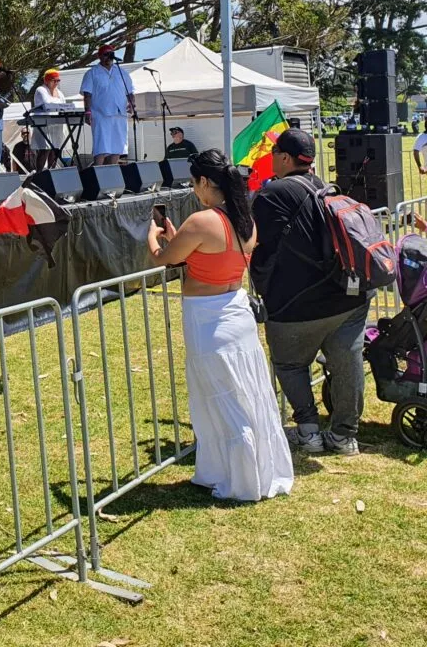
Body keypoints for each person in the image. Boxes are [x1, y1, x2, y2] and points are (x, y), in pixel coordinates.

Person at [147, 149, 293, 501]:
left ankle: (238, 479)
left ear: (207, 182)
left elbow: (163, 259)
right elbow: (202, 252)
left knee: (220, 398)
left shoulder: (202, 221)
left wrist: (152, 235)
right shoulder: (246, 221)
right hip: (235, 310)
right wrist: (175, 236)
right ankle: (249, 469)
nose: (194, 189)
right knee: (245, 393)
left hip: (208, 317)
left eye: (195, 183)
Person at [250, 128, 369, 456]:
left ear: (285, 158)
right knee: (348, 362)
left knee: (290, 364)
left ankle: (309, 432)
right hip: (348, 296)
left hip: (296, 305)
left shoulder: (272, 195)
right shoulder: (329, 188)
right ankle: (345, 437)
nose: (271, 158)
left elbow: (256, 242)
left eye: (274, 153)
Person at [80, 44, 136, 165]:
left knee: (117, 147)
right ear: (99, 56)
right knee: (101, 147)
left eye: (111, 54)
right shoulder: (92, 73)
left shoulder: (122, 72)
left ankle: (112, 173)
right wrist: (87, 111)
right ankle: (98, 175)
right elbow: (87, 94)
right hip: (101, 114)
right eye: (105, 54)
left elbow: (130, 92)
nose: (108, 57)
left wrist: (132, 103)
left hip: (119, 113)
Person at [31, 68, 67, 169]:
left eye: (57, 80)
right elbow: (47, 103)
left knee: (55, 150)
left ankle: (52, 172)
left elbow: (64, 104)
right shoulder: (41, 90)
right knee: (45, 150)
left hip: (57, 124)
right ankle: (39, 174)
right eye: (53, 80)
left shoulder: (59, 92)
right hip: (44, 124)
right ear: (46, 80)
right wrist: (58, 104)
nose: (56, 83)